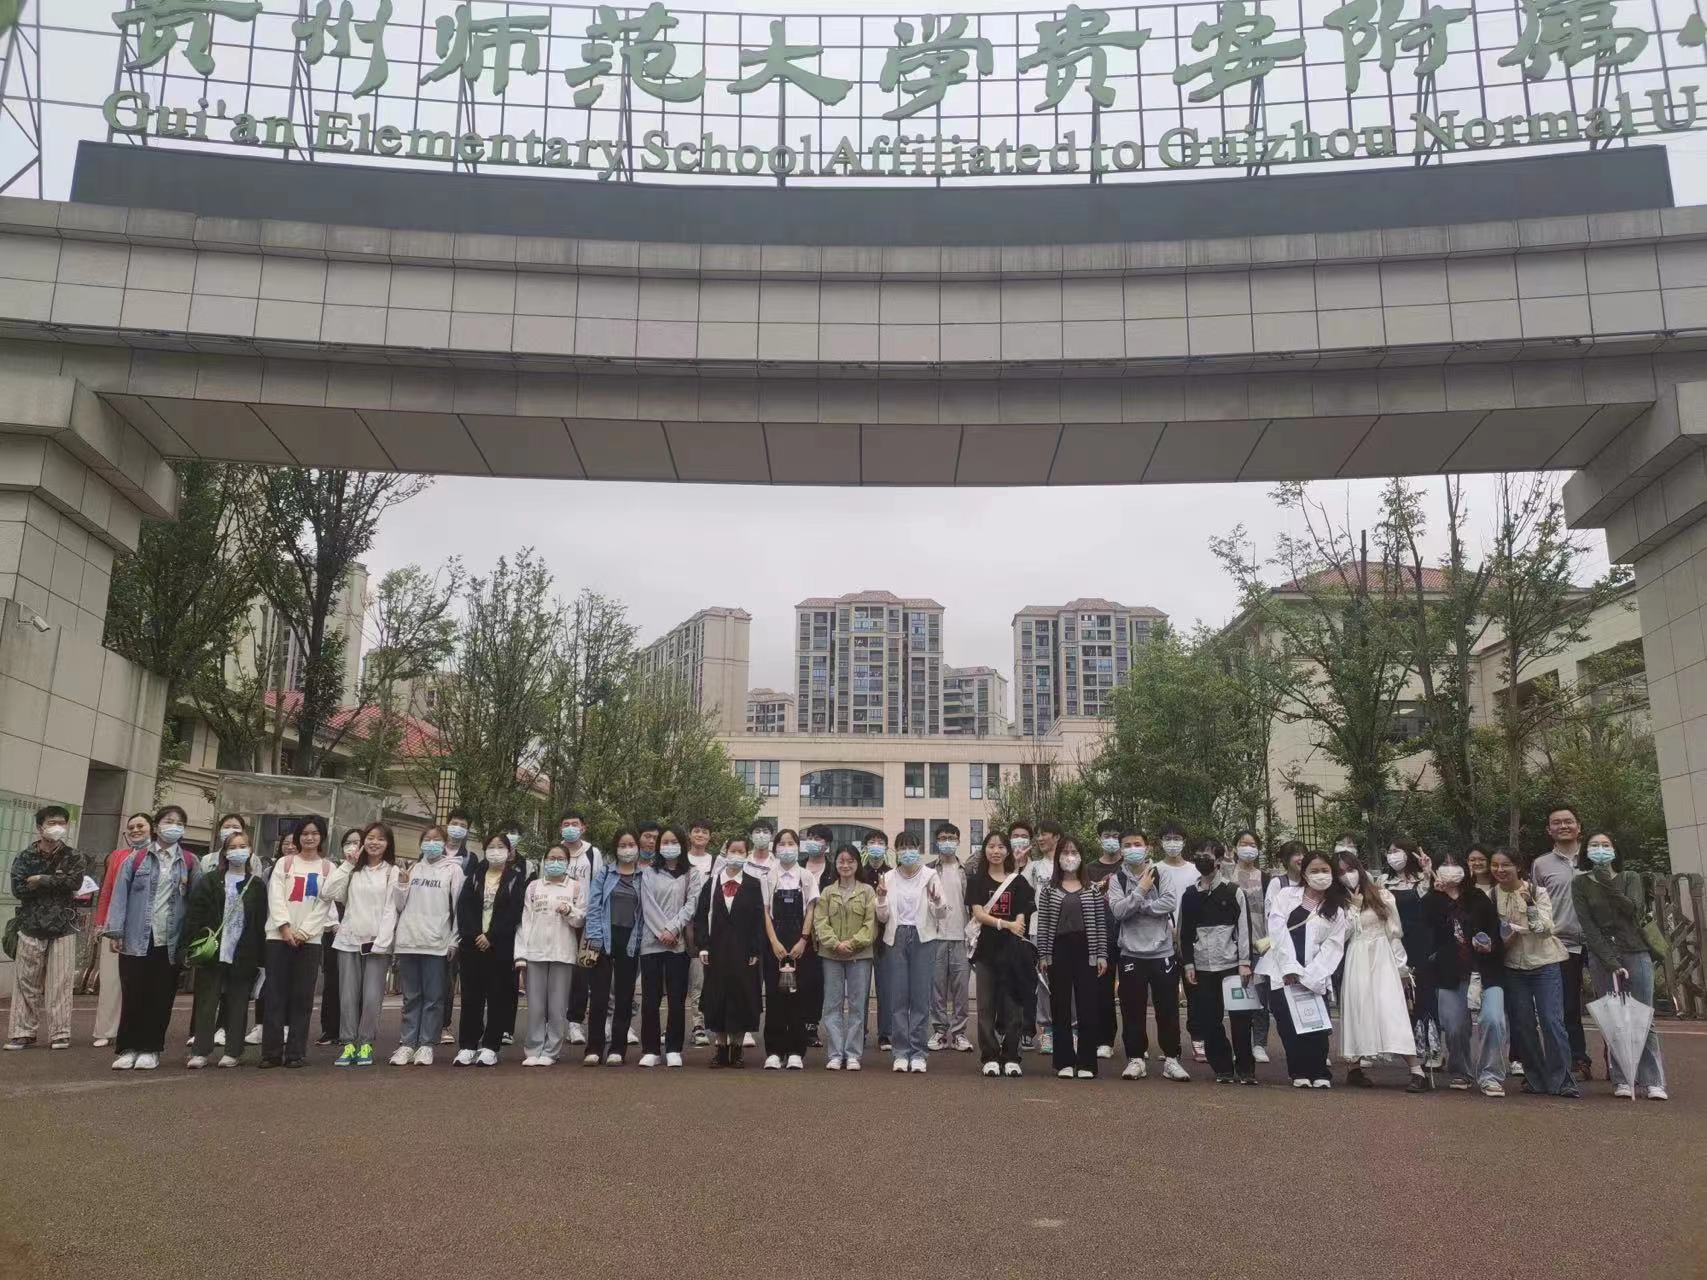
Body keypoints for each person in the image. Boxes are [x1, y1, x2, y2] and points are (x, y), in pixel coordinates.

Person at [103, 804, 198, 1071]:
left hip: (169, 941)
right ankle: (128, 1048)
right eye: (168, 821)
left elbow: (196, 902)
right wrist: (116, 931)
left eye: (179, 822)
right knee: (133, 994)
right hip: (136, 937)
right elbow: (119, 895)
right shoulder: (136, 859)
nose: (173, 826)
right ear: (156, 826)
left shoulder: (190, 861)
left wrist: (191, 939)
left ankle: (151, 1048)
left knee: (161, 997)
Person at [1574, 834, 1667, 1100]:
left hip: (1636, 950)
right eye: (1594, 845)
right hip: (1602, 955)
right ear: (1586, 851)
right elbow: (1588, 926)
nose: (1600, 849)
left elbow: (1633, 910)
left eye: (1606, 845)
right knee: (1613, 1017)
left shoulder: (1630, 877)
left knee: (1643, 1015)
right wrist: (1610, 961)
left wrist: (1607, 882)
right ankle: (1622, 1078)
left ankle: (1653, 1080)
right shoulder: (1579, 883)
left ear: (1615, 850)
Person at [1256, 850, 1349, 1089]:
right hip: (1282, 972)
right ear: (1305, 874)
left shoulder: (1336, 910)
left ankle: (1319, 1071)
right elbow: (1277, 930)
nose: (1320, 875)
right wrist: (1290, 968)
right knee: (1288, 1024)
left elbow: (1333, 946)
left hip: (1315, 976)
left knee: (1317, 1025)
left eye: (1325, 870)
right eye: (1314, 870)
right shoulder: (1286, 896)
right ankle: (1298, 1071)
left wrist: (1311, 974)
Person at [1336, 852, 1427, 1092]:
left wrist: (1402, 967)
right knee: (1359, 1007)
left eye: (1350, 869)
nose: (1347, 875)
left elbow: (1394, 933)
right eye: (1341, 872)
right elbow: (1341, 935)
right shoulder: (1338, 902)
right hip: (1357, 957)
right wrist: (1354, 909)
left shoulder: (1382, 895)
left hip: (1383, 956)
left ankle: (1416, 1069)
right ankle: (1354, 1067)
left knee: (1392, 1009)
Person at [1491, 848, 1578, 1099]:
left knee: (1552, 1021)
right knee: (1523, 1024)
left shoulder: (1537, 892)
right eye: (1495, 865)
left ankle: (1563, 1080)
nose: (1500, 870)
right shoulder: (1491, 896)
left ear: (1518, 866)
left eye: (1506, 865)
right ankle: (1535, 1077)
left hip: (1545, 964)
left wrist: (1528, 905)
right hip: (1513, 967)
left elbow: (1545, 929)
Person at [4, 805, 90, 1053]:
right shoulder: (25, 857)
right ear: (40, 827)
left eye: (62, 823)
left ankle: (60, 1034)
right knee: (26, 983)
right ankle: (22, 1033)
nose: (57, 827)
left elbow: (74, 882)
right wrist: (55, 883)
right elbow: (19, 888)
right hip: (30, 925)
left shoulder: (73, 856)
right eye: (52, 823)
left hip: (63, 927)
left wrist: (41, 879)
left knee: (60, 984)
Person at [1106, 830, 1189, 1082]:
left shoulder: (1161, 873)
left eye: (1137, 844)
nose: (1133, 849)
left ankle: (1171, 1058)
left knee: (1168, 1008)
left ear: (1148, 847)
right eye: (1127, 845)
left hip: (1162, 951)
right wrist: (1141, 890)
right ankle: (1136, 1059)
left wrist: (1138, 905)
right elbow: (1118, 911)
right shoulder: (1117, 879)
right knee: (1132, 1008)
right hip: (1131, 953)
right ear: (1121, 850)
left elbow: (1169, 903)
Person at [183, 831, 267, 1068]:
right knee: (206, 1002)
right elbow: (195, 914)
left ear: (250, 851)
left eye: (243, 846)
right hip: (213, 951)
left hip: (244, 953)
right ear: (225, 852)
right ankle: (200, 1050)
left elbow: (260, 923)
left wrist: (262, 959)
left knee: (238, 1003)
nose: (238, 851)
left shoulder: (257, 885)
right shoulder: (210, 880)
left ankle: (233, 1050)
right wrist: (190, 945)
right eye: (233, 847)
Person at [1427, 852, 1507, 1097]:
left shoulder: (1478, 898)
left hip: (1485, 971)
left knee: (1493, 1020)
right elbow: (1426, 933)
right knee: (1454, 1027)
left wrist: (1489, 945)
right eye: (1445, 865)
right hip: (1450, 973)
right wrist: (1436, 895)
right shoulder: (1432, 900)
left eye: (1455, 865)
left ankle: (1490, 1075)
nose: (1450, 869)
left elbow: (1495, 932)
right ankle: (1460, 1070)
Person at [321, 822, 398, 1068]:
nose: (375, 842)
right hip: (348, 940)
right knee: (347, 996)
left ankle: (365, 1042)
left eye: (381, 839)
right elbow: (328, 892)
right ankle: (348, 1043)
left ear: (388, 844)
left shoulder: (392, 871)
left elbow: (391, 908)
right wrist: (347, 864)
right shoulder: (353, 870)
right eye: (370, 838)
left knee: (372, 997)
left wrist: (382, 942)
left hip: (376, 944)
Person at [260, 816, 335, 1068]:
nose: (309, 838)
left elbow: (324, 904)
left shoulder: (328, 868)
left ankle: (295, 1052)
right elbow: (275, 897)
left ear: (321, 837)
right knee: (275, 994)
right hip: (278, 937)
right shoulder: (285, 863)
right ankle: (271, 1052)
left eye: (314, 833)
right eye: (304, 833)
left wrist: (304, 932)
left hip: (310, 941)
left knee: (302, 997)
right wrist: (284, 927)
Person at [1180, 845, 1257, 1085]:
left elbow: (1244, 929)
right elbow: (1184, 932)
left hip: (1232, 965)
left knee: (1241, 1019)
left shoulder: (1234, 892)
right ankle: (1222, 1067)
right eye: (1198, 856)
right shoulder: (1189, 895)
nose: (1202, 860)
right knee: (1208, 1019)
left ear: (1218, 860)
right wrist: (1188, 963)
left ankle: (1246, 1069)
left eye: (1208, 856)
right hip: (1202, 966)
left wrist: (1245, 962)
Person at [876, 829, 950, 1074]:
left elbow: (941, 913)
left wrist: (937, 901)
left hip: (923, 937)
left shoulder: (930, 875)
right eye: (902, 848)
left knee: (920, 997)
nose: (907, 852)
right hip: (896, 937)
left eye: (911, 847)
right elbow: (882, 917)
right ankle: (900, 1052)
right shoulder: (888, 877)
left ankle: (918, 1052)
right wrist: (881, 899)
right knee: (898, 997)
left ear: (918, 850)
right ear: (896, 851)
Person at [1034, 836, 1108, 1079]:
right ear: (1058, 858)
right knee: (1060, 1006)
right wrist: (1043, 955)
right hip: (1059, 950)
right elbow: (1043, 924)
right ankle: (1063, 1061)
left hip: (1087, 949)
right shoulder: (1049, 890)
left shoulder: (1092, 889)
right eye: (1065, 852)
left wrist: (1101, 955)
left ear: (1081, 857)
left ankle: (1086, 1063)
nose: (1069, 857)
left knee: (1088, 1006)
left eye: (1074, 852)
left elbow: (1100, 924)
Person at [390, 826, 463, 1066]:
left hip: (436, 942)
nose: (431, 843)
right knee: (411, 996)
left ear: (445, 843)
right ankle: (407, 1043)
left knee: (433, 997)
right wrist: (402, 884)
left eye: (437, 839)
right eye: (427, 839)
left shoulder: (453, 870)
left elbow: (458, 908)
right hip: (409, 940)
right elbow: (399, 905)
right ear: (420, 843)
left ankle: (426, 1044)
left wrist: (454, 939)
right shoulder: (412, 868)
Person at [1530, 806, 1592, 1080]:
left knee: (1611, 1002)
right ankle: (1577, 1060)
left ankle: (1619, 1063)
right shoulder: (1541, 864)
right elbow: (1535, 904)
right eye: (1557, 822)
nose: (1563, 826)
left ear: (1579, 827)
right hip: (1562, 942)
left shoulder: (1594, 858)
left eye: (1568, 821)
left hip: (1599, 941)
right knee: (1567, 1005)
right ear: (1549, 830)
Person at [452, 834, 526, 1066]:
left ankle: (490, 1046)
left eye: (500, 846)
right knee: (471, 997)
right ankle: (467, 1045)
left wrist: (491, 936)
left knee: (498, 997)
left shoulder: (516, 879)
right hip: (472, 945)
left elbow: (514, 912)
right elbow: (464, 908)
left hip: (500, 947)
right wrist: (475, 934)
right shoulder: (474, 876)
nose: (495, 850)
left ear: (509, 851)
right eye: (491, 846)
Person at [966, 831, 1034, 1077]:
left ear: (1008, 851)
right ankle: (990, 1056)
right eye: (991, 846)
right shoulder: (977, 881)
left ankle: (1012, 1056)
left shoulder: (1018, 881)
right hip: (986, 951)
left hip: (1013, 952)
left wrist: (1018, 922)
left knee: (1014, 1005)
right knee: (986, 1007)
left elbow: (1023, 910)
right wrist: (1006, 924)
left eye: (1001, 846)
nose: (996, 851)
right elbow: (978, 914)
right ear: (984, 850)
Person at [694, 836, 766, 1067]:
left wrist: (755, 949)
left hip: (744, 952)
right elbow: (701, 916)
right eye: (732, 850)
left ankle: (737, 1048)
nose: (736, 855)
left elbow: (759, 919)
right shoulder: (712, 883)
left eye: (740, 851)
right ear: (725, 852)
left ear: (747, 854)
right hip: (716, 951)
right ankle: (721, 1048)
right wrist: (703, 945)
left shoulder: (754, 884)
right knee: (717, 997)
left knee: (741, 997)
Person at [516, 843, 586, 1067]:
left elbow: (581, 919)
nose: (555, 862)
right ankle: (533, 1048)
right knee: (536, 1006)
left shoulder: (575, 887)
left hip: (562, 953)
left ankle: (551, 1050)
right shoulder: (534, 887)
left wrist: (569, 910)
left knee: (557, 1006)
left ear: (567, 863)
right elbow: (525, 921)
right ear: (545, 861)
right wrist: (521, 954)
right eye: (551, 858)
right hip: (535, 953)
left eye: (560, 859)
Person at [637, 827, 699, 1068]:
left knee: (676, 998)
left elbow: (691, 904)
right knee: (650, 998)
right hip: (651, 943)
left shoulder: (692, 873)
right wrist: (662, 931)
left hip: (678, 944)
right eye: (665, 841)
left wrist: (673, 929)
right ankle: (650, 1049)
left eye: (674, 841)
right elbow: (647, 905)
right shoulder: (649, 872)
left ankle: (674, 1048)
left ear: (682, 845)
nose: (669, 845)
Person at [581, 829, 643, 1066]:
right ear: (616, 849)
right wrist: (595, 938)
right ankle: (594, 1048)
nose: (627, 849)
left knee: (625, 997)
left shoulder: (643, 876)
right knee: (599, 996)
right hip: (604, 938)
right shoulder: (605, 873)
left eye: (631, 844)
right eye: (622, 845)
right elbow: (594, 906)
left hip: (631, 940)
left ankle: (618, 1048)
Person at [814, 844, 879, 1070]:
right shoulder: (827, 892)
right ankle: (835, 1053)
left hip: (860, 956)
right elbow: (820, 922)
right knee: (832, 1005)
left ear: (857, 864)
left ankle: (852, 1054)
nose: (845, 865)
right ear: (835, 864)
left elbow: (871, 924)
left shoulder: (867, 891)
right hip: (831, 956)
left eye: (850, 861)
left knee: (857, 1006)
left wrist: (852, 944)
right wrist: (835, 944)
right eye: (841, 861)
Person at [93, 813, 154, 1049]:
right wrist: (102, 923)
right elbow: (107, 892)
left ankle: (135, 1029)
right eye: (131, 827)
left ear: (152, 828)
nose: (135, 830)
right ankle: (105, 1030)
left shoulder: (159, 855)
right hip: (117, 926)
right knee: (111, 980)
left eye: (140, 826)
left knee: (141, 982)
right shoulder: (118, 856)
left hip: (146, 928)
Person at [757, 829, 817, 1070]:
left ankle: (795, 1052)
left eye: (791, 843)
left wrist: (803, 940)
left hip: (800, 944)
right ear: (775, 848)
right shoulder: (768, 877)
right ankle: (774, 1051)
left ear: (798, 847)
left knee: (798, 996)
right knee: (774, 996)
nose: (786, 847)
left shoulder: (806, 876)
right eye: (782, 843)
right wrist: (773, 942)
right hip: (775, 944)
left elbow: (811, 909)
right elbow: (764, 911)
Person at [1382, 837, 1440, 1069]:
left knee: (1425, 995)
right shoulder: (1383, 881)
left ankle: (1433, 1048)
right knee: (1400, 997)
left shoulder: (1422, 879)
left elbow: (1433, 900)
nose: (1392, 855)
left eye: (1397, 850)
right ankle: (1409, 1047)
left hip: (1422, 943)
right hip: (1394, 943)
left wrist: (1428, 872)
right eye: (1389, 851)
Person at [927, 822, 974, 1054]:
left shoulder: (967, 871)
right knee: (936, 988)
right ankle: (939, 1031)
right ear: (936, 841)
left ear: (958, 841)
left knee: (961, 989)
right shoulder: (928, 871)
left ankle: (959, 1033)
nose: (947, 842)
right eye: (943, 838)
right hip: (935, 936)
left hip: (961, 936)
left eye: (952, 838)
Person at [556, 811, 602, 1046]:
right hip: (558, 921)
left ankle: (575, 1022)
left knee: (582, 973)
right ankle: (554, 1022)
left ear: (584, 827)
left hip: (585, 921)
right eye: (566, 824)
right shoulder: (555, 852)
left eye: (575, 824)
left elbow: (599, 886)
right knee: (558, 972)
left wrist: (594, 920)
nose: (570, 827)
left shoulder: (593, 854)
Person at [1228, 829, 1273, 1065]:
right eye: (1243, 843)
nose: (1248, 848)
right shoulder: (1227, 874)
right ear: (1235, 848)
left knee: (1260, 997)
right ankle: (1241, 1044)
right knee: (1238, 998)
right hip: (1233, 945)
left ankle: (1260, 1043)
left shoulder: (1266, 878)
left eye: (1253, 844)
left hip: (1260, 945)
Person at [313, 826, 360, 1049]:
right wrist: (333, 924)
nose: (353, 846)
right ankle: (330, 1029)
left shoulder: (368, 870)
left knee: (356, 983)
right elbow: (327, 896)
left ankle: (354, 1029)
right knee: (333, 981)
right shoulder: (337, 867)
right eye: (348, 842)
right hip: (334, 930)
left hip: (359, 931)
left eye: (357, 842)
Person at [1084, 819, 1126, 1058]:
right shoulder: (1089, 869)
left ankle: (1135, 1043)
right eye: (1107, 835)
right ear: (1099, 839)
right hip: (1101, 936)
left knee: (1131, 992)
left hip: (1129, 935)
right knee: (1102, 991)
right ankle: (1105, 1040)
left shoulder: (1130, 866)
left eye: (1116, 835)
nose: (1111, 840)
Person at [437, 807, 477, 1044]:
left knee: (447, 978)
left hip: (454, 923)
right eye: (454, 823)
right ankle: (415, 1025)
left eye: (463, 825)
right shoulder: (432, 849)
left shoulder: (470, 859)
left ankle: (443, 1024)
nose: (457, 828)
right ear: (446, 824)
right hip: (428, 920)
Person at [1009, 821, 1048, 1053]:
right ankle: (1006, 1029)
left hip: (1031, 929)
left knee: (1029, 983)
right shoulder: (1004, 865)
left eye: (1024, 836)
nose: (1019, 840)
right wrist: (1014, 865)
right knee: (1007, 983)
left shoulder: (1037, 867)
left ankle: (1027, 1031)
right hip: (1006, 929)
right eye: (1015, 835)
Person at [799, 823, 833, 1047]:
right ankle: (795, 1024)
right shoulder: (797, 866)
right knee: (796, 979)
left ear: (827, 844)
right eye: (810, 837)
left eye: (818, 838)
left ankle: (811, 1026)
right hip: (797, 930)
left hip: (822, 933)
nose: (813, 841)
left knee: (816, 982)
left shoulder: (833, 870)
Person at [861, 831, 894, 1051]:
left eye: (880, 842)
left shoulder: (893, 874)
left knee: (886, 989)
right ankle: (860, 1032)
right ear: (865, 847)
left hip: (886, 937)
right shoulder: (859, 874)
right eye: (872, 842)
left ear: (886, 848)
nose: (876, 846)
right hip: (863, 938)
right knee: (861, 989)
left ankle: (885, 1034)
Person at [685, 820, 716, 1047]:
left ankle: (699, 1024)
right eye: (696, 831)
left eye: (704, 832)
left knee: (699, 978)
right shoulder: (682, 860)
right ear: (689, 834)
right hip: (681, 923)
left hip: (705, 924)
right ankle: (671, 1026)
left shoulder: (716, 862)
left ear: (710, 837)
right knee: (674, 980)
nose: (700, 834)